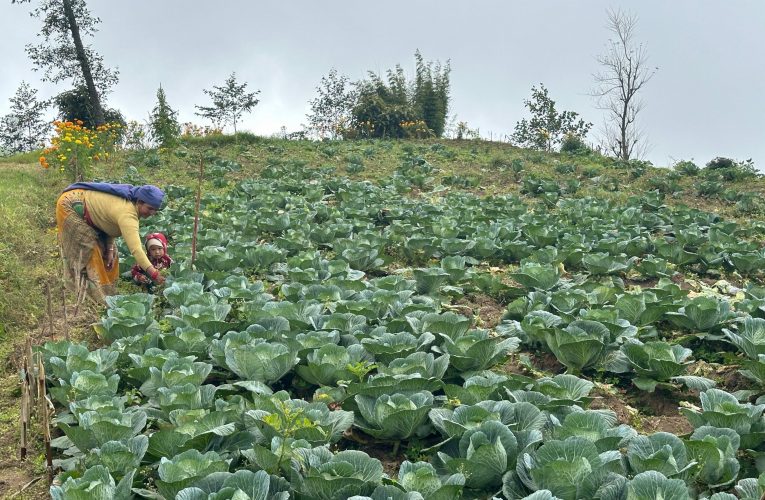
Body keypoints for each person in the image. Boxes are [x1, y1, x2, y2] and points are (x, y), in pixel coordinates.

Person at [56, 182, 167, 303]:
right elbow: (136, 250)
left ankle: (109, 293)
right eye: (149, 208)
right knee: (90, 249)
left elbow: (108, 223)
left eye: (155, 210)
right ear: (139, 202)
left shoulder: (131, 206)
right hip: (71, 204)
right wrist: (154, 274)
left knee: (111, 255)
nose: (152, 213)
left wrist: (109, 248)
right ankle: (89, 293)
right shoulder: (128, 214)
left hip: (91, 212)